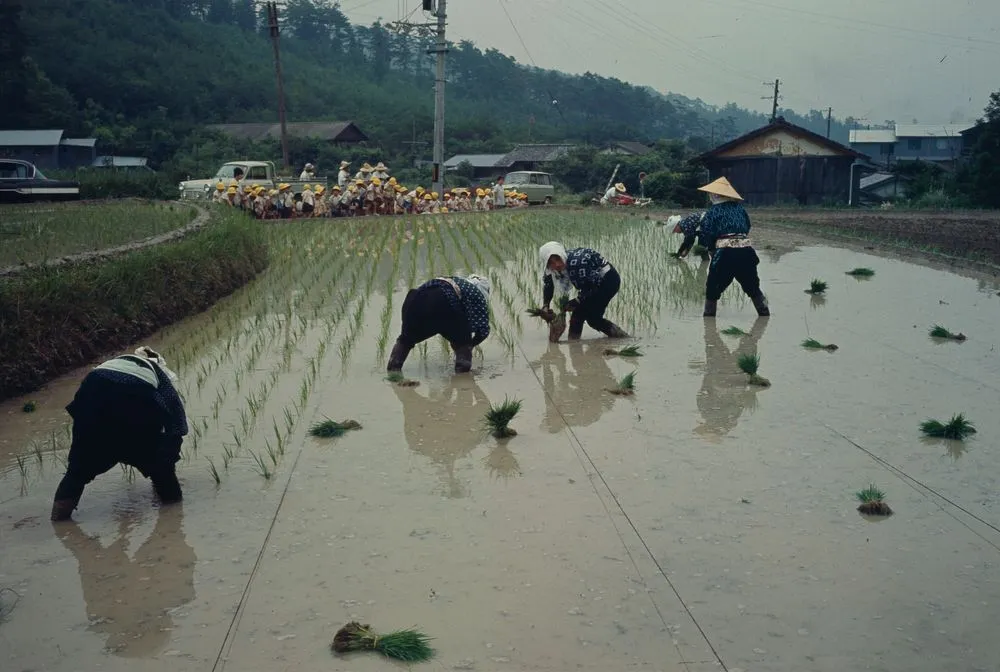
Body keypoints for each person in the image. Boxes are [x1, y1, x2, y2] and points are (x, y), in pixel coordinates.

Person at [50, 347, 188, 521]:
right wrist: (167, 459)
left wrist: (99, 440)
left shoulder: (112, 364)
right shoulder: (160, 377)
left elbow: (80, 408)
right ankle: (172, 516)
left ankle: (58, 522)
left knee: (77, 470)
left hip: (91, 390)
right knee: (161, 468)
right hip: (134, 393)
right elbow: (177, 424)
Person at [669, 176, 770, 318]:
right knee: (753, 287)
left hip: (725, 254)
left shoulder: (713, 212)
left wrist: (712, 250)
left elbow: (707, 234)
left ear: (715, 195)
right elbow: (747, 227)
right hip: (747, 252)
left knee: (712, 289)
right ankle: (764, 315)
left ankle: (709, 327)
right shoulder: (740, 209)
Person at [387, 274, 492, 374]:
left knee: (405, 340)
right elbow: (483, 329)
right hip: (444, 303)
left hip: (413, 300)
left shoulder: (455, 282)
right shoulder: (476, 293)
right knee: (463, 343)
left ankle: (393, 370)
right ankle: (462, 378)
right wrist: (469, 345)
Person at [539, 241, 629, 340]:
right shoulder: (551, 269)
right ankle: (622, 338)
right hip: (592, 283)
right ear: (547, 264)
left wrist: (577, 301)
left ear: (561, 254)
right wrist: (545, 306)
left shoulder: (577, 263)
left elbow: (593, 285)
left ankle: (574, 345)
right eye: (551, 262)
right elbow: (548, 284)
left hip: (607, 281)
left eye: (557, 259)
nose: (557, 264)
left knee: (583, 316)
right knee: (589, 318)